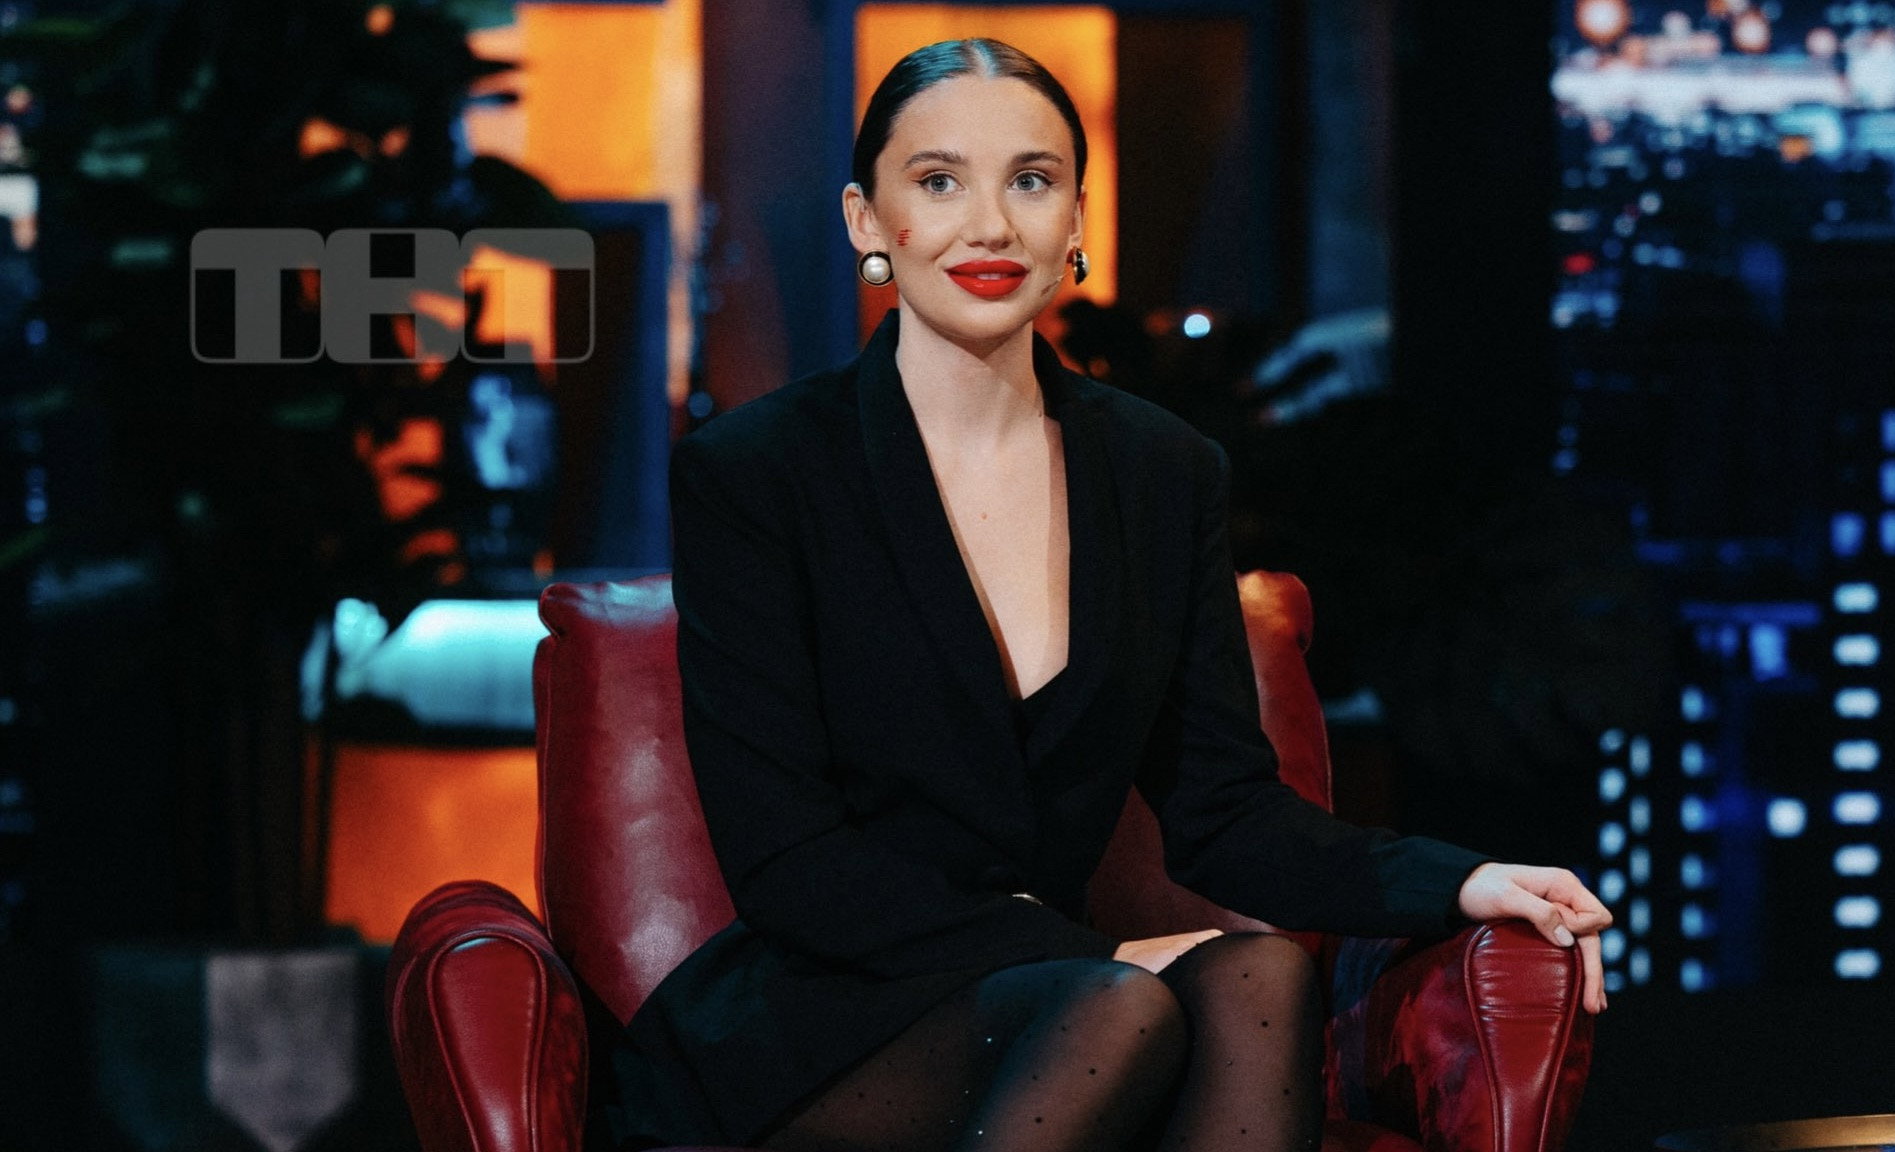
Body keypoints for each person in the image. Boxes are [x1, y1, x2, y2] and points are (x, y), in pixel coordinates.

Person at [602, 37, 1612, 1152]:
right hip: (821, 1014)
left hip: (1058, 1003)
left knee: (1260, 975)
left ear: (1075, 219)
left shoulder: (1159, 471)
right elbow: (791, 865)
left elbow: (1227, 814)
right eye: (938, 182)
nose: (990, 225)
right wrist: (1097, 957)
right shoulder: (758, 473)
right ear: (867, 220)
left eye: (1030, 181)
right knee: (1121, 1005)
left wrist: (1465, 880)